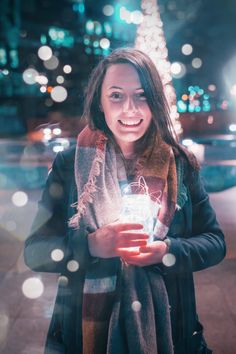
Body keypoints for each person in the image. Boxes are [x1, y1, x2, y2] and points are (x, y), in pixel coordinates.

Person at [24, 48, 226, 354]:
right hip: (84, 332)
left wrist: (167, 251)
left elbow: (214, 242)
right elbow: (34, 251)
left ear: (155, 101)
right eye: (116, 96)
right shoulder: (71, 164)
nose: (130, 109)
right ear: (100, 102)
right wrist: (90, 246)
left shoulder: (180, 164)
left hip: (172, 329)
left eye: (141, 95)